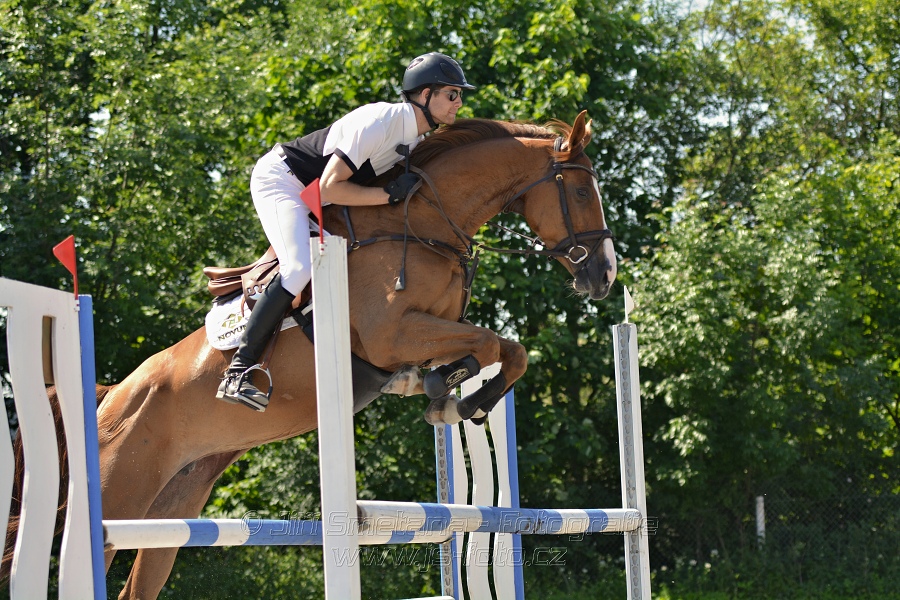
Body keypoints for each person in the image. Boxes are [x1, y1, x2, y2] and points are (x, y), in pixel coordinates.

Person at [216, 52, 477, 411]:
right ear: (425, 94)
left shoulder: (416, 141)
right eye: (452, 94)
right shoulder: (381, 121)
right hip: (284, 181)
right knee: (299, 268)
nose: (459, 102)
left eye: (460, 95)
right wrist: (386, 195)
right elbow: (327, 188)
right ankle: (239, 369)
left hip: (321, 195)